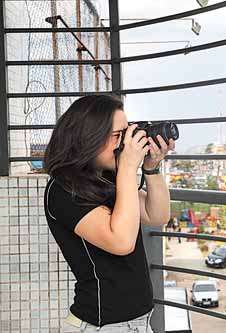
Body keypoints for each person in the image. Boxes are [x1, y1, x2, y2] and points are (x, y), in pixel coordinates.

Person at [43, 95, 174, 332]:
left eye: (127, 133)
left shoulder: (108, 177)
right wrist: (127, 166)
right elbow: (121, 241)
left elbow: (157, 215)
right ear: (88, 138)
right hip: (102, 325)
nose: (124, 143)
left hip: (138, 322)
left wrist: (151, 168)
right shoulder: (63, 189)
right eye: (118, 135)